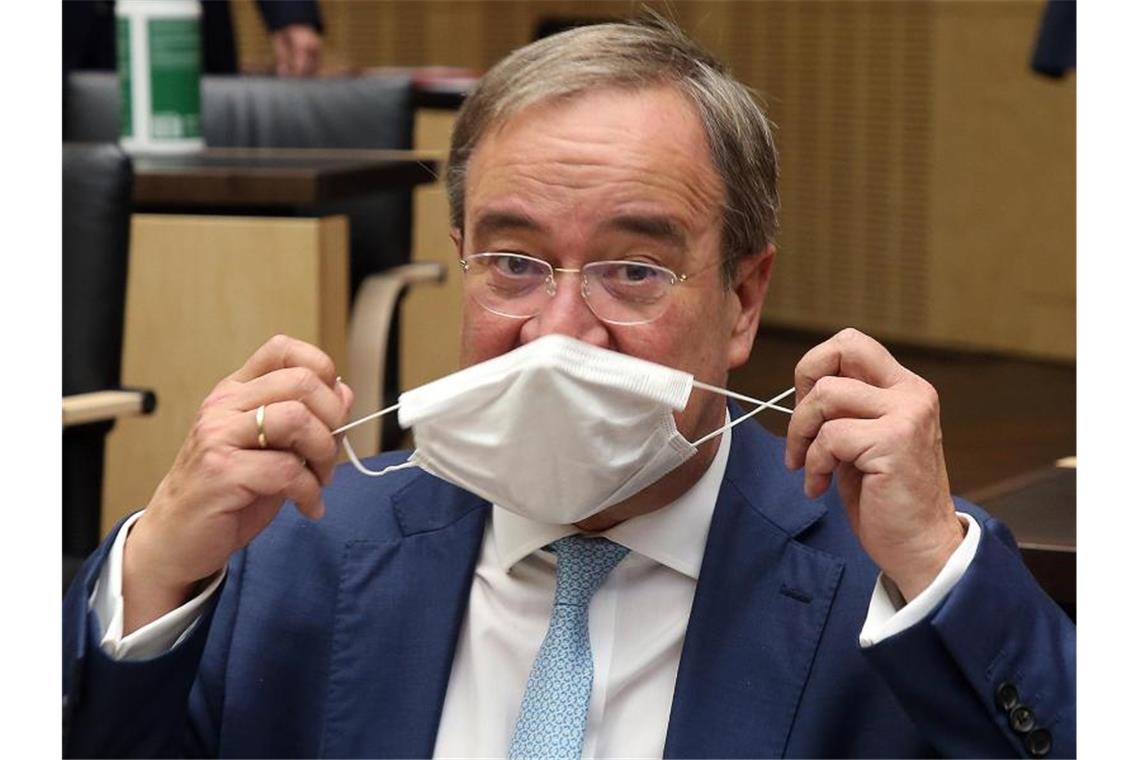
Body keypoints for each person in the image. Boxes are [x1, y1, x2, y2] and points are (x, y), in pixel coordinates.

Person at [62, 18, 1075, 759]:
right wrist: (154, 573)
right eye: (514, 262)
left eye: (633, 270)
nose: (556, 330)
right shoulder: (297, 547)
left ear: (743, 300)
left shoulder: (890, 579)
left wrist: (938, 569)